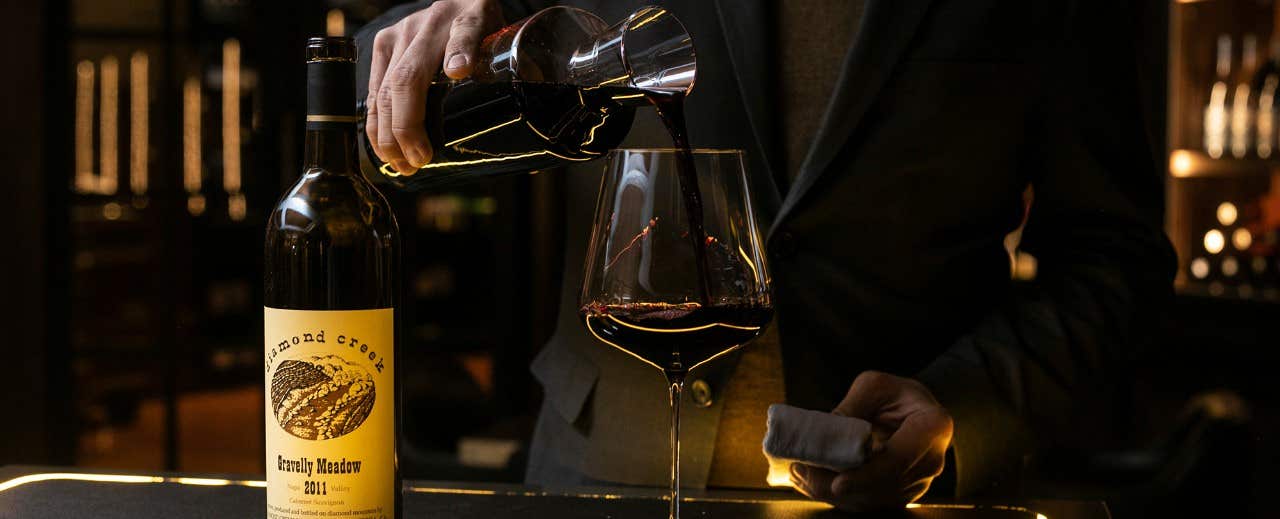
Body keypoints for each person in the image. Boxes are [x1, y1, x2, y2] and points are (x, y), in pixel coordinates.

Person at [355, 0, 1175, 511]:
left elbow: (1115, 259)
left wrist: (963, 409)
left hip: (898, 497)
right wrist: (440, 31)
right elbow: (362, 81)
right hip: (602, 476)